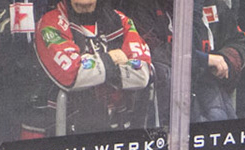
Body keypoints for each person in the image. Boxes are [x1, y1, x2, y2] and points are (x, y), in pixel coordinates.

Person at [22, 0, 153, 137]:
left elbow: (142, 74)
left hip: (112, 131)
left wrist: (92, 67)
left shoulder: (121, 20)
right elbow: (72, 76)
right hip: (54, 136)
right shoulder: (49, 23)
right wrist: (112, 58)